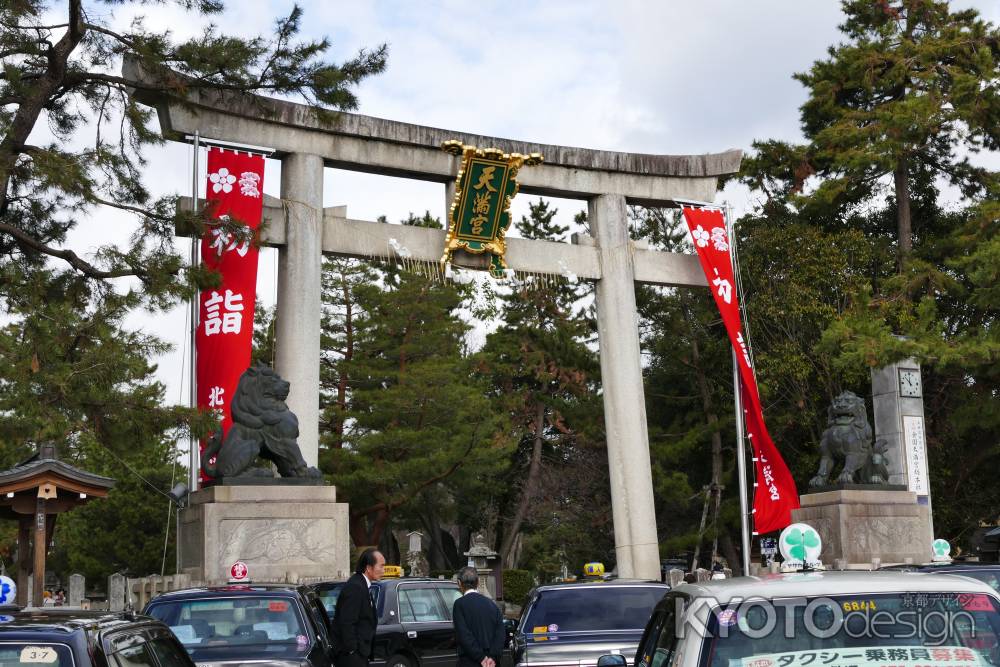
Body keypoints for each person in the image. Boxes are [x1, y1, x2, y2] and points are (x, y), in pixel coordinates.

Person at [332, 548, 385, 667]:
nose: (383, 570)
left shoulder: (362, 585)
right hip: (351, 657)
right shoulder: (355, 587)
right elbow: (347, 622)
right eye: (381, 566)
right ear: (369, 568)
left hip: (360, 654)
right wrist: (353, 650)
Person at [452, 567, 505, 667]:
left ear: (459, 583)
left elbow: (464, 635)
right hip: (492, 663)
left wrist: (481, 657)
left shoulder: (459, 604)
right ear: (477, 583)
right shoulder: (492, 604)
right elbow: (500, 634)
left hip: (470, 661)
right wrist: (493, 657)